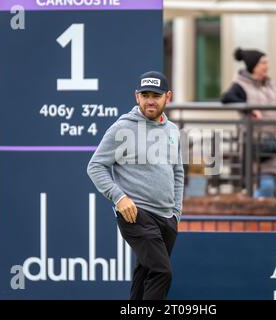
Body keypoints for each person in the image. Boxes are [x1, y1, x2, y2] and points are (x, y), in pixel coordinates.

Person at [87, 71, 184, 300]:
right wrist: (120, 198)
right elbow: (95, 166)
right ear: (136, 96)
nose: (150, 100)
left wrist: (176, 214)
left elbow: (178, 172)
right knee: (162, 272)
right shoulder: (123, 128)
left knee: (146, 275)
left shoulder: (172, 131)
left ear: (167, 97)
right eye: (145, 95)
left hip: (166, 217)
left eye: (156, 95)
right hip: (136, 215)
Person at [221, 48, 276, 198]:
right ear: (253, 66)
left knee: (270, 185)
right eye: (263, 63)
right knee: (267, 186)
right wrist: (250, 111)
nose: (266, 66)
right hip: (258, 147)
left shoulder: (269, 85)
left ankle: (262, 214)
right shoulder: (241, 85)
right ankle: (259, 213)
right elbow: (226, 98)